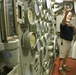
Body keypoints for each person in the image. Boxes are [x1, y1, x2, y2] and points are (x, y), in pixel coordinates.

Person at [57, 6, 76, 75]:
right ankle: (60, 69)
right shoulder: (63, 24)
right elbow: (63, 21)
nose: (69, 16)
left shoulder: (70, 24)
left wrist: (73, 27)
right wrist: (65, 14)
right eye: (68, 15)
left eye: (70, 16)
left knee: (66, 56)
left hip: (69, 42)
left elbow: (75, 32)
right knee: (62, 56)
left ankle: (64, 66)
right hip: (63, 42)